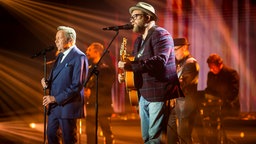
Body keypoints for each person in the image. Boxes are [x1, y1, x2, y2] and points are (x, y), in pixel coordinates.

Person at [118, 2, 183, 143]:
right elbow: (138, 66)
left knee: (155, 137)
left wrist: (131, 66)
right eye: (131, 17)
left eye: (136, 16)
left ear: (148, 18)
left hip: (160, 92)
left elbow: (159, 61)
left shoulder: (161, 34)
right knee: (147, 137)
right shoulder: (139, 41)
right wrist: (126, 75)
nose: (132, 20)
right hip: (145, 93)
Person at [41, 26, 88, 144]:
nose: (56, 41)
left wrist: (55, 98)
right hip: (54, 107)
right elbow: (55, 78)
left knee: (68, 139)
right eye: (55, 38)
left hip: (68, 106)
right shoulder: (60, 56)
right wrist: (46, 83)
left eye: (59, 38)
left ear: (70, 40)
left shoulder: (79, 56)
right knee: (51, 135)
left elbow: (77, 85)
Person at [168, 38, 200, 144]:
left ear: (185, 48)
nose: (174, 53)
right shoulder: (180, 64)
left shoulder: (191, 63)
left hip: (186, 105)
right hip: (178, 104)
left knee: (184, 136)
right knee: (171, 134)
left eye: (176, 49)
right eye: (173, 50)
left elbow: (183, 84)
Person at [204, 53, 240, 143]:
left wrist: (223, 101)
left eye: (213, 67)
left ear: (220, 64)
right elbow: (209, 89)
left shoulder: (231, 73)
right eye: (209, 67)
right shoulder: (211, 74)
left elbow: (234, 92)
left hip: (229, 109)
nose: (211, 69)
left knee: (229, 135)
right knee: (213, 133)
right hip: (215, 109)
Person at [84, 42, 115, 144]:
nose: (86, 52)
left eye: (89, 50)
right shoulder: (88, 69)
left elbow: (106, 87)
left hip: (102, 106)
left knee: (106, 133)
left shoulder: (105, 69)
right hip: (90, 105)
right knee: (90, 133)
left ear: (96, 52)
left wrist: (91, 91)